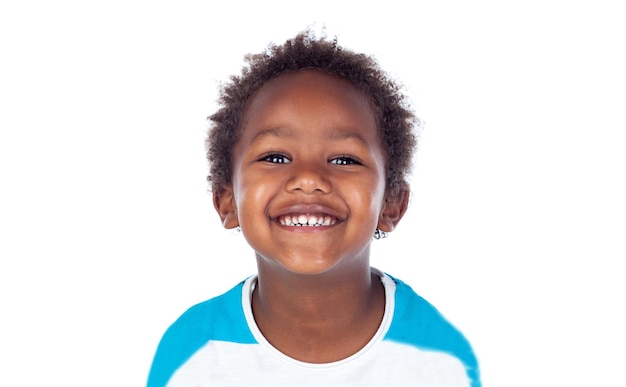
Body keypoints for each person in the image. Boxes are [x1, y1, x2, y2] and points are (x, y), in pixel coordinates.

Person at [147, 30, 481, 387]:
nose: (308, 178)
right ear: (225, 199)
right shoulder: (191, 353)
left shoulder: (441, 360)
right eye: (275, 157)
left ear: (392, 203)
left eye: (344, 159)